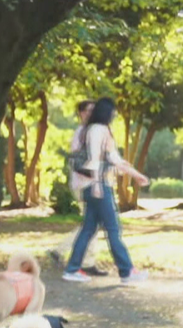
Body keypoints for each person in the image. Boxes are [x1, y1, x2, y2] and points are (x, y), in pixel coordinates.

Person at [62, 97, 150, 285]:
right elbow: (94, 160)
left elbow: (116, 160)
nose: (114, 114)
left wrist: (136, 175)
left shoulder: (99, 130)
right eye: (112, 111)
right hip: (98, 186)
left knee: (88, 229)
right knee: (113, 228)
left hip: (97, 185)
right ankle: (127, 271)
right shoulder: (96, 131)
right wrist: (96, 186)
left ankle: (72, 269)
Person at [49, 100, 105, 276]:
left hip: (90, 183)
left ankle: (87, 262)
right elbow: (78, 161)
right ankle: (60, 250)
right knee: (92, 224)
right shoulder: (81, 133)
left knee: (93, 224)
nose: (90, 114)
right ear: (80, 113)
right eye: (87, 111)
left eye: (93, 111)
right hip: (84, 184)